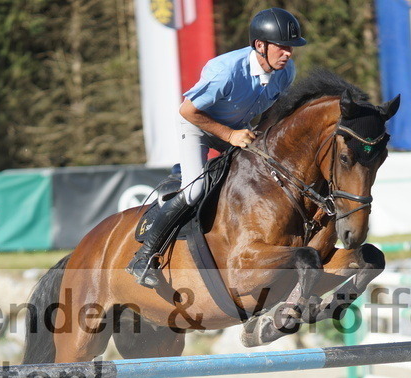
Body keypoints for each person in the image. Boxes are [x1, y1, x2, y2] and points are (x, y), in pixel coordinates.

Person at [127, 7, 308, 288]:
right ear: (260, 45)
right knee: (194, 190)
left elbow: (272, 111)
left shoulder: (286, 72)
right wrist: (230, 135)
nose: (288, 53)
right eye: (282, 47)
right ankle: (144, 257)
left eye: (291, 47)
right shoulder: (226, 70)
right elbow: (188, 111)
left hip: (236, 128)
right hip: (197, 126)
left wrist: (260, 137)